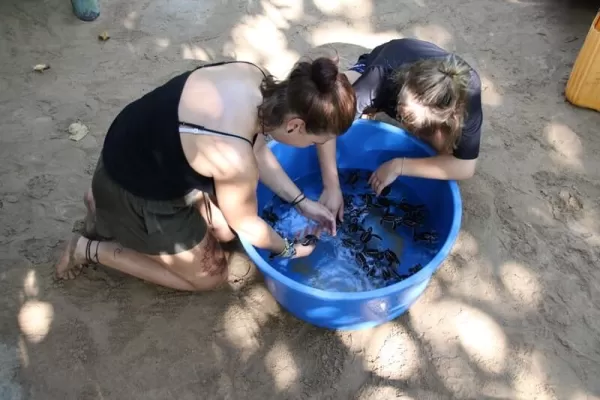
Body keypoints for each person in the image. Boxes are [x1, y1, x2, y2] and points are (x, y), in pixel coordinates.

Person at [54, 58, 357, 291]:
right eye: (316, 141)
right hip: (135, 191)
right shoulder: (234, 159)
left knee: (223, 233)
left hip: (130, 150)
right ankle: (89, 248)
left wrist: (302, 202)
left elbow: (257, 146)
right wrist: (290, 249)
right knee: (211, 277)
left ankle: (102, 204)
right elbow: (248, 224)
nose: (315, 147)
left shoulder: (256, 77)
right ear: (295, 126)